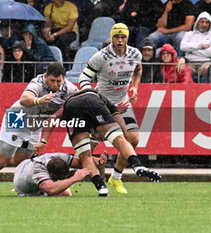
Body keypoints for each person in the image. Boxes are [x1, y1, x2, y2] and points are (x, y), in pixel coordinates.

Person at [0, 62, 77, 197]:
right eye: (52, 80)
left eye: (58, 81)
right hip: (17, 117)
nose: (55, 85)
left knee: (21, 160)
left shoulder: (69, 89)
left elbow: (77, 102)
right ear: (46, 77)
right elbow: (24, 100)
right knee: (1, 161)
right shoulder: (37, 83)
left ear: (64, 78)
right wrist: (39, 100)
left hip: (35, 124)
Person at [35, 89, 161, 197]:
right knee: (119, 139)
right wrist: (119, 135)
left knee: (85, 155)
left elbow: (53, 118)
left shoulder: (67, 103)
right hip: (92, 99)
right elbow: (122, 132)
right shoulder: (104, 101)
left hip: (71, 107)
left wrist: (43, 141)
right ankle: (137, 165)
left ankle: (101, 187)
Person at [78, 23, 143, 194]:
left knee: (133, 139)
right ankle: (77, 179)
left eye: (123, 37)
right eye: (117, 37)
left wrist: (134, 87)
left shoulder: (135, 54)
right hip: (101, 105)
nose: (120, 40)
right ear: (112, 38)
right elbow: (83, 78)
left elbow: (138, 69)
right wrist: (93, 97)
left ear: (127, 38)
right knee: (87, 148)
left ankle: (116, 177)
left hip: (122, 103)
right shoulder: (101, 56)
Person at [14, 152, 107, 196]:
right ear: (52, 175)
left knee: (65, 191)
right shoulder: (38, 171)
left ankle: (66, 177)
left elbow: (80, 161)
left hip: (24, 165)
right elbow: (51, 189)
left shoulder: (57, 157)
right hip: (22, 186)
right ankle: (68, 177)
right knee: (65, 193)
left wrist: (98, 161)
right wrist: (73, 179)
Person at [180, 12, 211, 79]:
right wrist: (200, 46)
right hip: (189, 62)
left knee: (208, 69)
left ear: (210, 24)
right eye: (202, 22)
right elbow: (183, 47)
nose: (204, 24)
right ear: (197, 22)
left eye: (207, 22)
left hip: (205, 63)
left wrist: (192, 50)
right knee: (181, 68)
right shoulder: (188, 34)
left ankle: (204, 88)